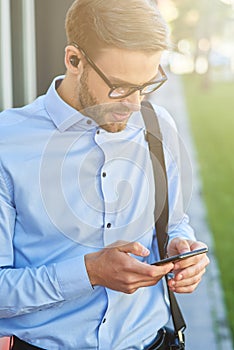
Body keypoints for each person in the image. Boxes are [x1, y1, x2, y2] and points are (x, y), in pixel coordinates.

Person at [0, 0, 209, 349]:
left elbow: (174, 222)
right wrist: (89, 273)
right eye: (120, 86)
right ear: (74, 60)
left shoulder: (157, 126)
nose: (133, 103)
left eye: (145, 85)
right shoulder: (7, 144)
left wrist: (181, 247)